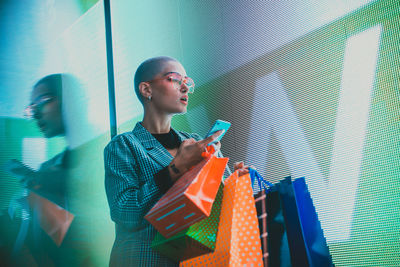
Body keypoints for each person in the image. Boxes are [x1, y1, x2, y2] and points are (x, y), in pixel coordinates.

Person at [104, 56, 249, 266]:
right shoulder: (124, 145)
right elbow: (125, 212)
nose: (185, 88)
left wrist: (237, 183)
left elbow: (221, 209)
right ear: (146, 90)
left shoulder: (198, 142)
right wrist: (176, 168)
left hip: (197, 260)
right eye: (174, 79)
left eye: (187, 82)